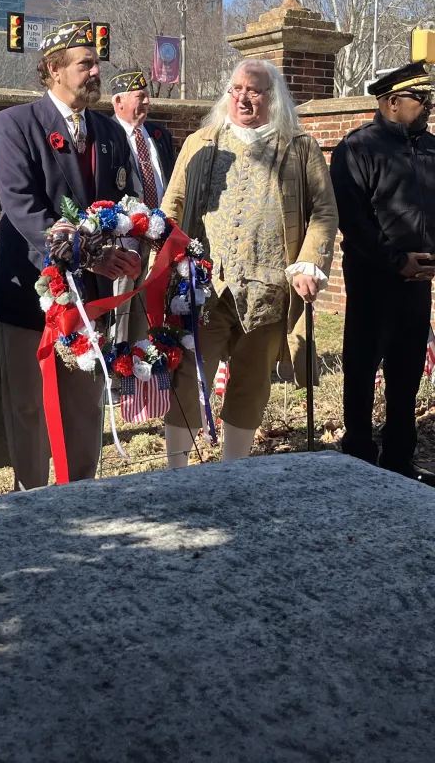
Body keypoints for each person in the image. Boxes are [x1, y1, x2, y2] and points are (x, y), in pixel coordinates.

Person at [160, 58, 338, 466]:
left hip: (269, 291)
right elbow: (172, 206)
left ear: (272, 97)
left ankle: (234, 472)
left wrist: (310, 261)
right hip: (204, 288)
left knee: (252, 383)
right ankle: (174, 473)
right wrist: (164, 260)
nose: (243, 97)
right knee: (190, 377)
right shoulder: (201, 142)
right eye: (236, 89)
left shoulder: (299, 147)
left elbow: (325, 212)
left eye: (254, 90)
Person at [0, 20, 141, 489]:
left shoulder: (110, 133)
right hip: (31, 292)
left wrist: (134, 241)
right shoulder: (16, 124)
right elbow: (23, 206)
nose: (97, 71)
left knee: (83, 404)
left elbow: (127, 201)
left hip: (89, 300)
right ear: (53, 69)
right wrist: (87, 253)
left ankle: (81, 499)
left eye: (97, 63)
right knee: (30, 407)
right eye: (86, 64)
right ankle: (32, 504)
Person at [330, 60, 435, 485]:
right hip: (374, 279)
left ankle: (398, 458)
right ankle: (357, 452)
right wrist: (397, 260)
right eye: (421, 99)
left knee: (407, 372)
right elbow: (352, 221)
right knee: (362, 367)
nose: (429, 106)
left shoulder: (431, 148)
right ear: (393, 102)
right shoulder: (358, 149)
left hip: (419, 282)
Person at [110, 69, 176, 345]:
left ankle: (144, 361)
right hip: (124, 239)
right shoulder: (108, 134)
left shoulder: (159, 135)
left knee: (153, 304)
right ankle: (117, 364)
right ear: (119, 101)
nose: (147, 102)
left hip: (159, 234)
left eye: (147, 95)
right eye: (140, 96)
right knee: (122, 305)